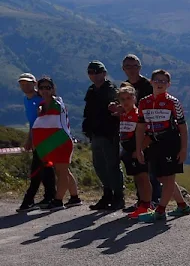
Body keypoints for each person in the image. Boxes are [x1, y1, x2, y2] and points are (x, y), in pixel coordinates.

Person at [134, 69, 190, 222]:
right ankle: (182, 205)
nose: (160, 83)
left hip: (170, 142)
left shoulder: (173, 102)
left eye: (163, 81)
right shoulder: (143, 102)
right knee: (161, 177)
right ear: (151, 82)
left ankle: (160, 210)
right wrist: (138, 148)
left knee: (169, 177)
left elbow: (183, 126)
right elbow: (140, 127)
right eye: (157, 80)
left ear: (168, 85)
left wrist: (184, 148)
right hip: (153, 143)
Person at [113, 54, 160, 209]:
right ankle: (142, 201)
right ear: (123, 69)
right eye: (128, 66)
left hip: (147, 132)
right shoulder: (124, 85)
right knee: (138, 173)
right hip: (130, 135)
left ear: (140, 67)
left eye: (134, 66)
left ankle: (153, 202)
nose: (131, 69)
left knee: (148, 173)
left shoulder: (147, 85)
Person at [29, 77, 81, 208]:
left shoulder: (57, 103)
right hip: (51, 144)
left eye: (48, 88)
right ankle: (75, 197)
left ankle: (58, 200)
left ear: (53, 89)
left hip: (62, 142)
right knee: (63, 171)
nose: (45, 91)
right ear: (38, 90)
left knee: (61, 172)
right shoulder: (42, 106)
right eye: (42, 88)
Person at [82, 61, 125, 210]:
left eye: (96, 72)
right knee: (99, 166)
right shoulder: (91, 90)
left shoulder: (111, 90)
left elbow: (118, 108)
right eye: (90, 72)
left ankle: (118, 196)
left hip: (109, 133)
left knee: (112, 165)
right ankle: (107, 194)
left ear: (104, 73)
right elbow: (88, 112)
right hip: (95, 134)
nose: (93, 75)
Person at [16, 73, 56, 212]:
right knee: (43, 169)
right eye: (22, 84)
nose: (25, 86)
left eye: (28, 83)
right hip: (37, 140)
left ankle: (30, 200)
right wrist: (29, 139)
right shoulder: (26, 100)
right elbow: (33, 123)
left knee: (39, 170)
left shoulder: (41, 100)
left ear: (34, 84)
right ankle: (49, 197)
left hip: (45, 140)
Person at [115, 84, 153, 219]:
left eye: (128, 98)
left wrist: (139, 150)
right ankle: (142, 204)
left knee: (143, 178)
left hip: (139, 151)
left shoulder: (138, 115)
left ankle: (147, 205)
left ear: (134, 99)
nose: (126, 102)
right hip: (128, 151)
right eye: (122, 99)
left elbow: (148, 135)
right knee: (138, 179)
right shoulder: (123, 114)